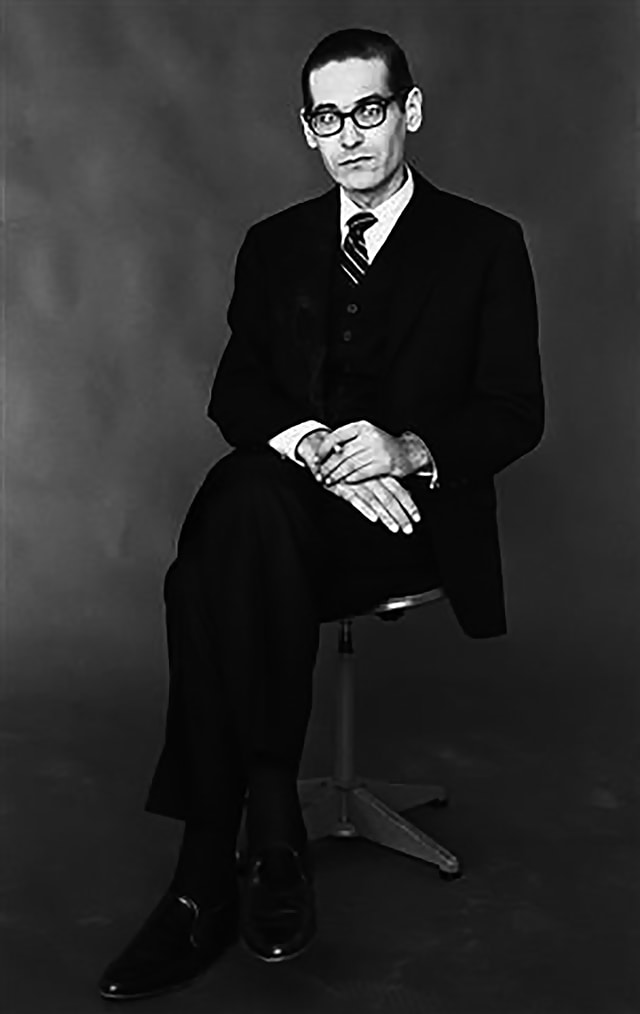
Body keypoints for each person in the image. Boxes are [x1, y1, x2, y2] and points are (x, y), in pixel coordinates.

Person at [99, 26, 544, 1001]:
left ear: (409, 110)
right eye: (327, 118)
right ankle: (266, 839)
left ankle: (206, 875)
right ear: (307, 129)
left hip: (409, 522)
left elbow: (516, 412)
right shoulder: (274, 244)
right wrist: (315, 451)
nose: (349, 136)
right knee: (252, 500)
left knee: (218, 544)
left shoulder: (484, 243)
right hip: (288, 515)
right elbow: (237, 393)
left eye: (369, 110)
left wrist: (404, 450)